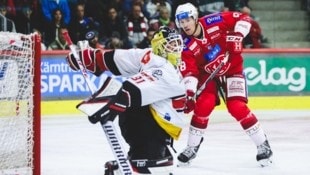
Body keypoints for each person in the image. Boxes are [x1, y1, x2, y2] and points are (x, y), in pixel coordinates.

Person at [66, 26, 186, 174]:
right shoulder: (148, 56)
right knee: (131, 110)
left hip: (159, 127)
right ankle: (140, 156)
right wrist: (94, 59)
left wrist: (110, 105)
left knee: (130, 106)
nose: (177, 49)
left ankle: (146, 156)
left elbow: (131, 91)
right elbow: (120, 59)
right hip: (149, 121)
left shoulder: (168, 72)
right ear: (159, 47)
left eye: (178, 44)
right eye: (172, 45)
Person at [174, 3, 273, 167]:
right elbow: (190, 72)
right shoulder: (184, 44)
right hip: (207, 76)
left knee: (237, 106)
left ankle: (263, 144)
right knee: (203, 106)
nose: (184, 25)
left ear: (195, 17)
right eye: (181, 22)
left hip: (232, 67)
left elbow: (244, 18)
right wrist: (190, 93)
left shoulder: (214, 20)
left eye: (187, 20)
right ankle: (192, 147)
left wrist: (238, 35)